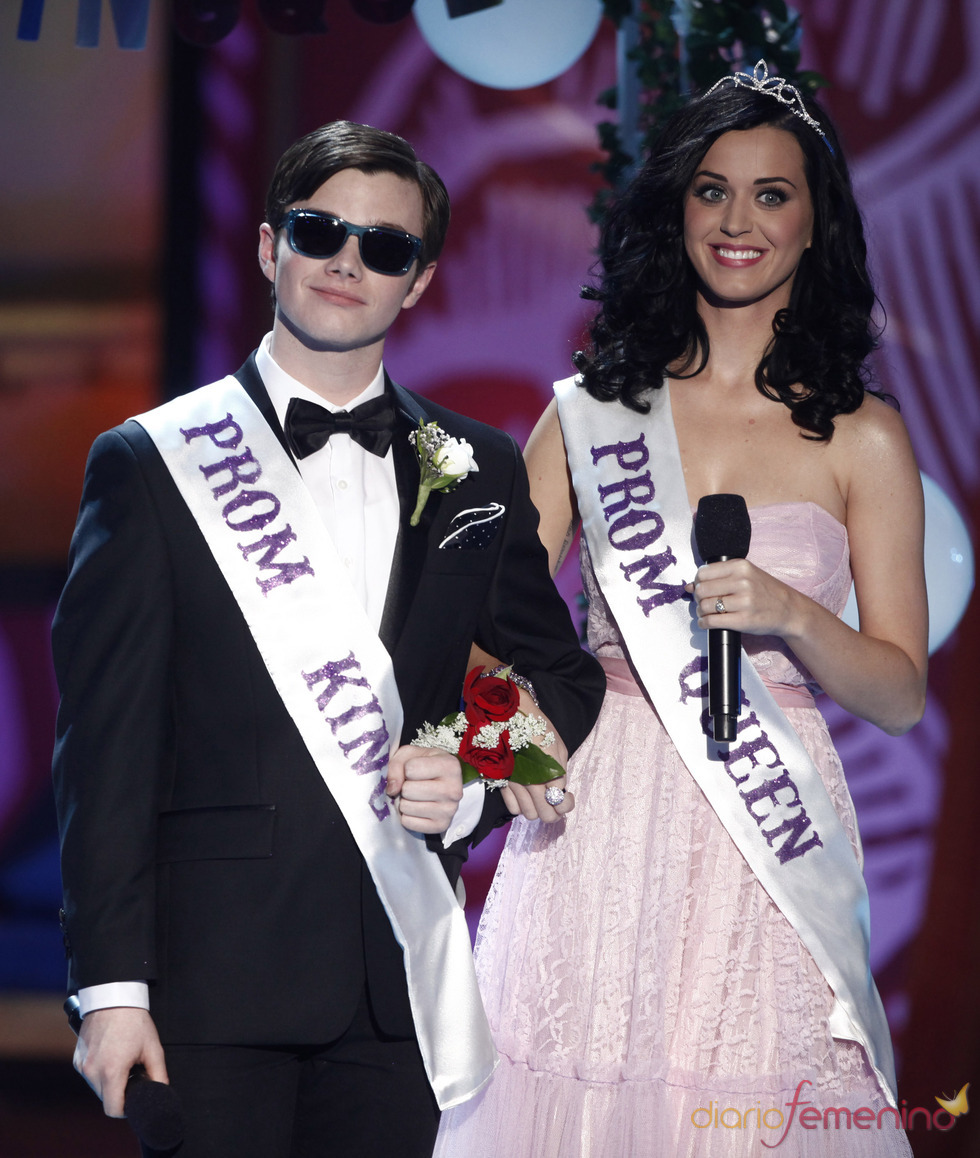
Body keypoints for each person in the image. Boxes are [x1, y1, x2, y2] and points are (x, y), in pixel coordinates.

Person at [51, 120, 605, 1158]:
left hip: (397, 985)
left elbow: (557, 675)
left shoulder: (477, 466)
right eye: (319, 232)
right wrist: (111, 985)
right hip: (209, 988)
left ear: (420, 280)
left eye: (384, 247)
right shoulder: (152, 463)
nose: (348, 262)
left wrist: (474, 771)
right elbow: (104, 749)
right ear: (269, 249)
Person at [435, 65, 925, 1157]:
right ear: (675, 212)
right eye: (710, 190)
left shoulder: (863, 436)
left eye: (769, 193)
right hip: (595, 818)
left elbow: (897, 692)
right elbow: (475, 626)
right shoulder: (587, 414)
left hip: (769, 818)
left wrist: (793, 613)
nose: (736, 220)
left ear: (813, 223)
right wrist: (507, 757)